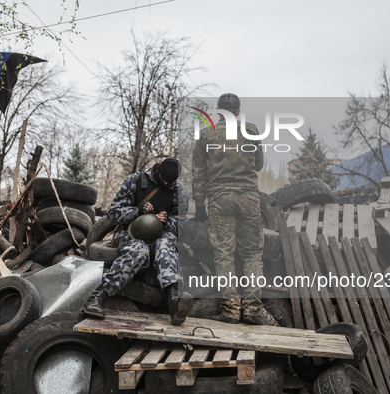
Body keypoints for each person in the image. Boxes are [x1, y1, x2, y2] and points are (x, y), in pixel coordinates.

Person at [81, 158, 194, 325]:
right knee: (139, 250)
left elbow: (184, 227)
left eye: (169, 182)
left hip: (162, 235)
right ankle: (97, 296)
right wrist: (137, 212)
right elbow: (113, 213)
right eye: (162, 180)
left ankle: (174, 303)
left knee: (166, 246)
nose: (165, 184)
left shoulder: (179, 191)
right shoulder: (135, 181)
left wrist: (167, 221)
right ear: (157, 171)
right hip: (131, 232)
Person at [192, 93, 266, 324]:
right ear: (238, 112)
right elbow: (260, 164)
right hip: (248, 199)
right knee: (252, 253)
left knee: (224, 255)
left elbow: (199, 173)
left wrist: (199, 205)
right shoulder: (252, 130)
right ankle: (253, 309)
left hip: (219, 199)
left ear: (217, 112)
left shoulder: (205, 134)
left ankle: (231, 310)